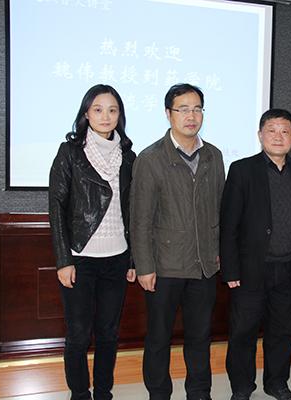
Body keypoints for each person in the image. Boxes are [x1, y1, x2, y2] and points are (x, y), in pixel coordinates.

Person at [130, 83, 225, 400]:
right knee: (159, 338)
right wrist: (144, 266)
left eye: (197, 108)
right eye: (183, 109)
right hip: (165, 267)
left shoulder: (214, 155)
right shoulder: (150, 158)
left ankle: (199, 393)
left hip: (204, 266)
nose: (191, 116)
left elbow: (220, 208)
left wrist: (218, 251)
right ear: (168, 114)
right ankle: (159, 393)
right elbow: (140, 219)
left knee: (200, 337)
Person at [220, 109, 291, 400]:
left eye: (284, 131)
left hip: (289, 267)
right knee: (243, 331)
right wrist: (230, 269)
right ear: (260, 135)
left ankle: (277, 383)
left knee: (283, 332)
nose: (278, 136)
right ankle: (242, 387)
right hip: (251, 268)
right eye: (272, 130)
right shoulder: (242, 170)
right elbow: (229, 224)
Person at [49, 84, 137, 400]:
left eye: (112, 110)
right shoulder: (70, 152)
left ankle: (103, 392)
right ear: (86, 113)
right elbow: (56, 206)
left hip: (117, 258)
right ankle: (79, 394)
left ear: (119, 115)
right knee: (78, 334)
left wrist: (132, 260)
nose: (105, 116)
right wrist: (63, 260)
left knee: (109, 333)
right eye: (98, 109)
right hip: (80, 257)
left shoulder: (129, 156)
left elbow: (132, 211)